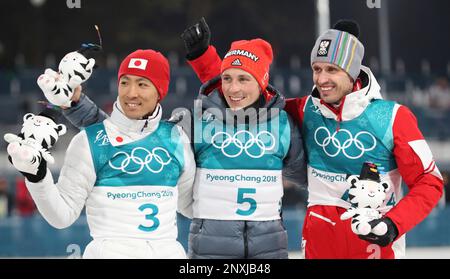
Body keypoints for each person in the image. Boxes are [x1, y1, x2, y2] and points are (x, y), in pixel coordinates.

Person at [178, 18, 444, 259]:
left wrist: (394, 223)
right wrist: (204, 59)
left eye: (332, 70)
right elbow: (245, 94)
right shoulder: (305, 110)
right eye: (317, 69)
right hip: (320, 241)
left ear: (352, 72)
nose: (322, 79)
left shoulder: (393, 117)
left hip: (373, 238)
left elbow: (429, 182)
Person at [42, 23, 307, 259]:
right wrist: (75, 104)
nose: (233, 88)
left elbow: (314, 174)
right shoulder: (197, 124)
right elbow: (129, 135)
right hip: (210, 250)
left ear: (261, 82)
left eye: (244, 79)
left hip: (268, 248)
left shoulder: (283, 125)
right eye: (227, 78)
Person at [6, 49, 196, 258]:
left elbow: (191, 206)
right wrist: (37, 175)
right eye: (125, 82)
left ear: (160, 90)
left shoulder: (176, 138)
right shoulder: (90, 141)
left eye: (142, 84)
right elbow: (62, 216)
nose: (131, 93)